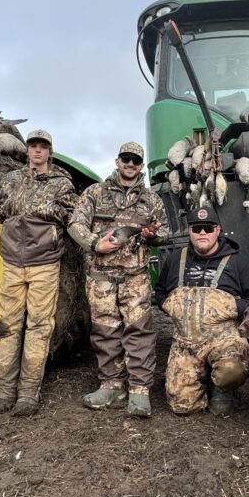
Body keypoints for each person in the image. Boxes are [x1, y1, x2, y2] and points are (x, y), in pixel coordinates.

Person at [0, 129, 78, 418]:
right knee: (7, 326)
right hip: (12, 262)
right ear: (27, 150)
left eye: (42, 146)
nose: (37, 151)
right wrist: (9, 207)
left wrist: (45, 210)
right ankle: (3, 392)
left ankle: (27, 392)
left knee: (38, 326)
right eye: (33, 146)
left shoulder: (61, 183)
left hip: (44, 262)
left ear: (50, 151)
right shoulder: (12, 180)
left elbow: (72, 216)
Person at [68, 142, 168, 418]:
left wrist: (152, 236)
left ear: (141, 165)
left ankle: (138, 390)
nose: (131, 164)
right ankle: (112, 385)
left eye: (136, 160)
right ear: (117, 160)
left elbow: (165, 234)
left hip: (135, 278)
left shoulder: (152, 200)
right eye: (126, 158)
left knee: (139, 332)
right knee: (105, 331)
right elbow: (75, 225)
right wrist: (94, 244)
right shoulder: (94, 193)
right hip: (101, 277)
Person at [155, 206, 249, 416]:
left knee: (231, 370)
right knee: (181, 406)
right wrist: (169, 305)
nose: (202, 233)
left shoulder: (238, 262)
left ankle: (221, 387)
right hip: (185, 342)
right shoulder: (174, 260)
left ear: (218, 230)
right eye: (197, 228)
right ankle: (199, 379)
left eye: (208, 228)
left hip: (224, 340)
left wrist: (233, 306)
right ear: (189, 231)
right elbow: (160, 291)